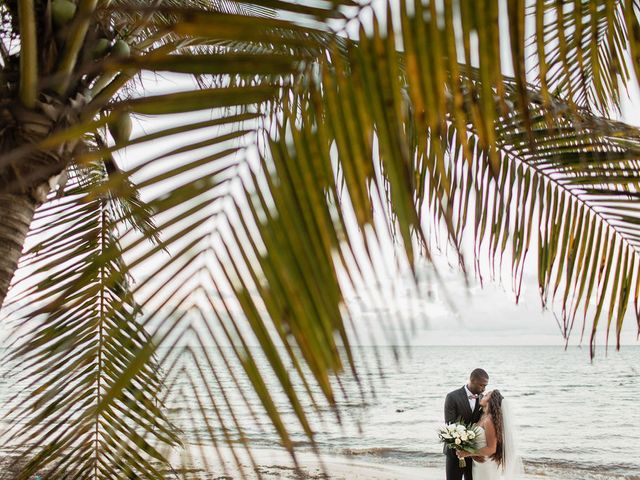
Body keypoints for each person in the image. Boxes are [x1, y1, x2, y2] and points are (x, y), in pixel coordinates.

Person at [456, 389, 525, 480]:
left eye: (486, 395)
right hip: (480, 462)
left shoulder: (489, 420)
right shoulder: (483, 416)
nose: (483, 395)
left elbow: (491, 449)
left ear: (491, 401)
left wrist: (467, 453)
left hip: (486, 463)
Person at [444, 368, 489, 480]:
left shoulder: (483, 399)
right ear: (472, 381)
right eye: (481, 385)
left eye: (485, 386)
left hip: (474, 453)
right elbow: (450, 424)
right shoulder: (452, 397)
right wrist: (461, 447)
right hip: (454, 451)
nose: (484, 389)